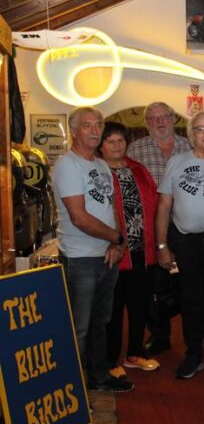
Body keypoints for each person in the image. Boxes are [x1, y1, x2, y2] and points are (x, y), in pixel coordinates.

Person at [52, 107, 133, 392]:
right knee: (79, 327)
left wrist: (114, 243)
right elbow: (79, 217)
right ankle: (72, 387)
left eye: (98, 124)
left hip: (105, 256)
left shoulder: (100, 165)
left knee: (101, 322)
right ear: (74, 131)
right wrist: (119, 238)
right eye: (87, 125)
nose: (95, 129)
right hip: (79, 259)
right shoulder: (67, 165)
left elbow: (111, 207)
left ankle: (98, 377)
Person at [156, 111, 204, 379]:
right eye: (200, 129)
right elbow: (164, 206)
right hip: (185, 242)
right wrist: (162, 246)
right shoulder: (177, 161)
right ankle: (194, 353)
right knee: (191, 301)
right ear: (190, 134)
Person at [127, 102, 191, 356]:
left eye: (165, 116)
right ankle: (160, 334)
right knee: (155, 283)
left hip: (186, 225)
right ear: (146, 124)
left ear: (173, 118)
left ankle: (196, 336)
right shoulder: (136, 149)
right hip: (151, 227)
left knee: (189, 282)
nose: (160, 122)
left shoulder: (190, 146)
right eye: (153, 119)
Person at [100, 122, 160, 378]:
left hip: (141, 251)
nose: (116, 145)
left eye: (120, 141)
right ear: (101, 145)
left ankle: (135, 352)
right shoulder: (96, 171)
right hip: (111, 252)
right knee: (111, 310)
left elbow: (155, 203)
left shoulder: (138, 169)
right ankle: (109, 359)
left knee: (139, 306)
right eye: (110, 141)